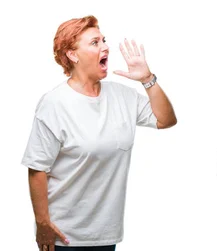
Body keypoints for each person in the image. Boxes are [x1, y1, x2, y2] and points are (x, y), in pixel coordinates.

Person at [22, 15, 177, 251]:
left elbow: (166, 120)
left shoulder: (122, 96)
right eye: (95, 42)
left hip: (106, 234)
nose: (105, 46)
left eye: (103, 40)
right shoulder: (55, 104)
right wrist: (42, 223)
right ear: (72, 55)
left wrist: (147, 79)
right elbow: (37, 168)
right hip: (63, 235)